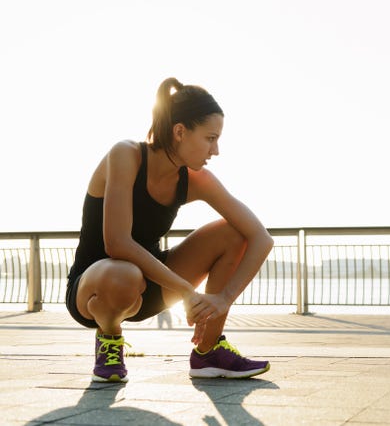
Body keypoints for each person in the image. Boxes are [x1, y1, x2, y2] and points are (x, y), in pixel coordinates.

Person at [65, 77, 274, 383]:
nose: (215, 150)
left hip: (151, 285)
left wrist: (224, 299)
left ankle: (208, 351)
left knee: (234, 234)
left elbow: (261, 238)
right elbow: (117, 243)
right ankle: (109, 339)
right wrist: (187, 291)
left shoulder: (196, 179)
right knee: (123, 273)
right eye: (210, 138)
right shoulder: (126, 155)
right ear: (180, 132)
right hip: (96, 287)